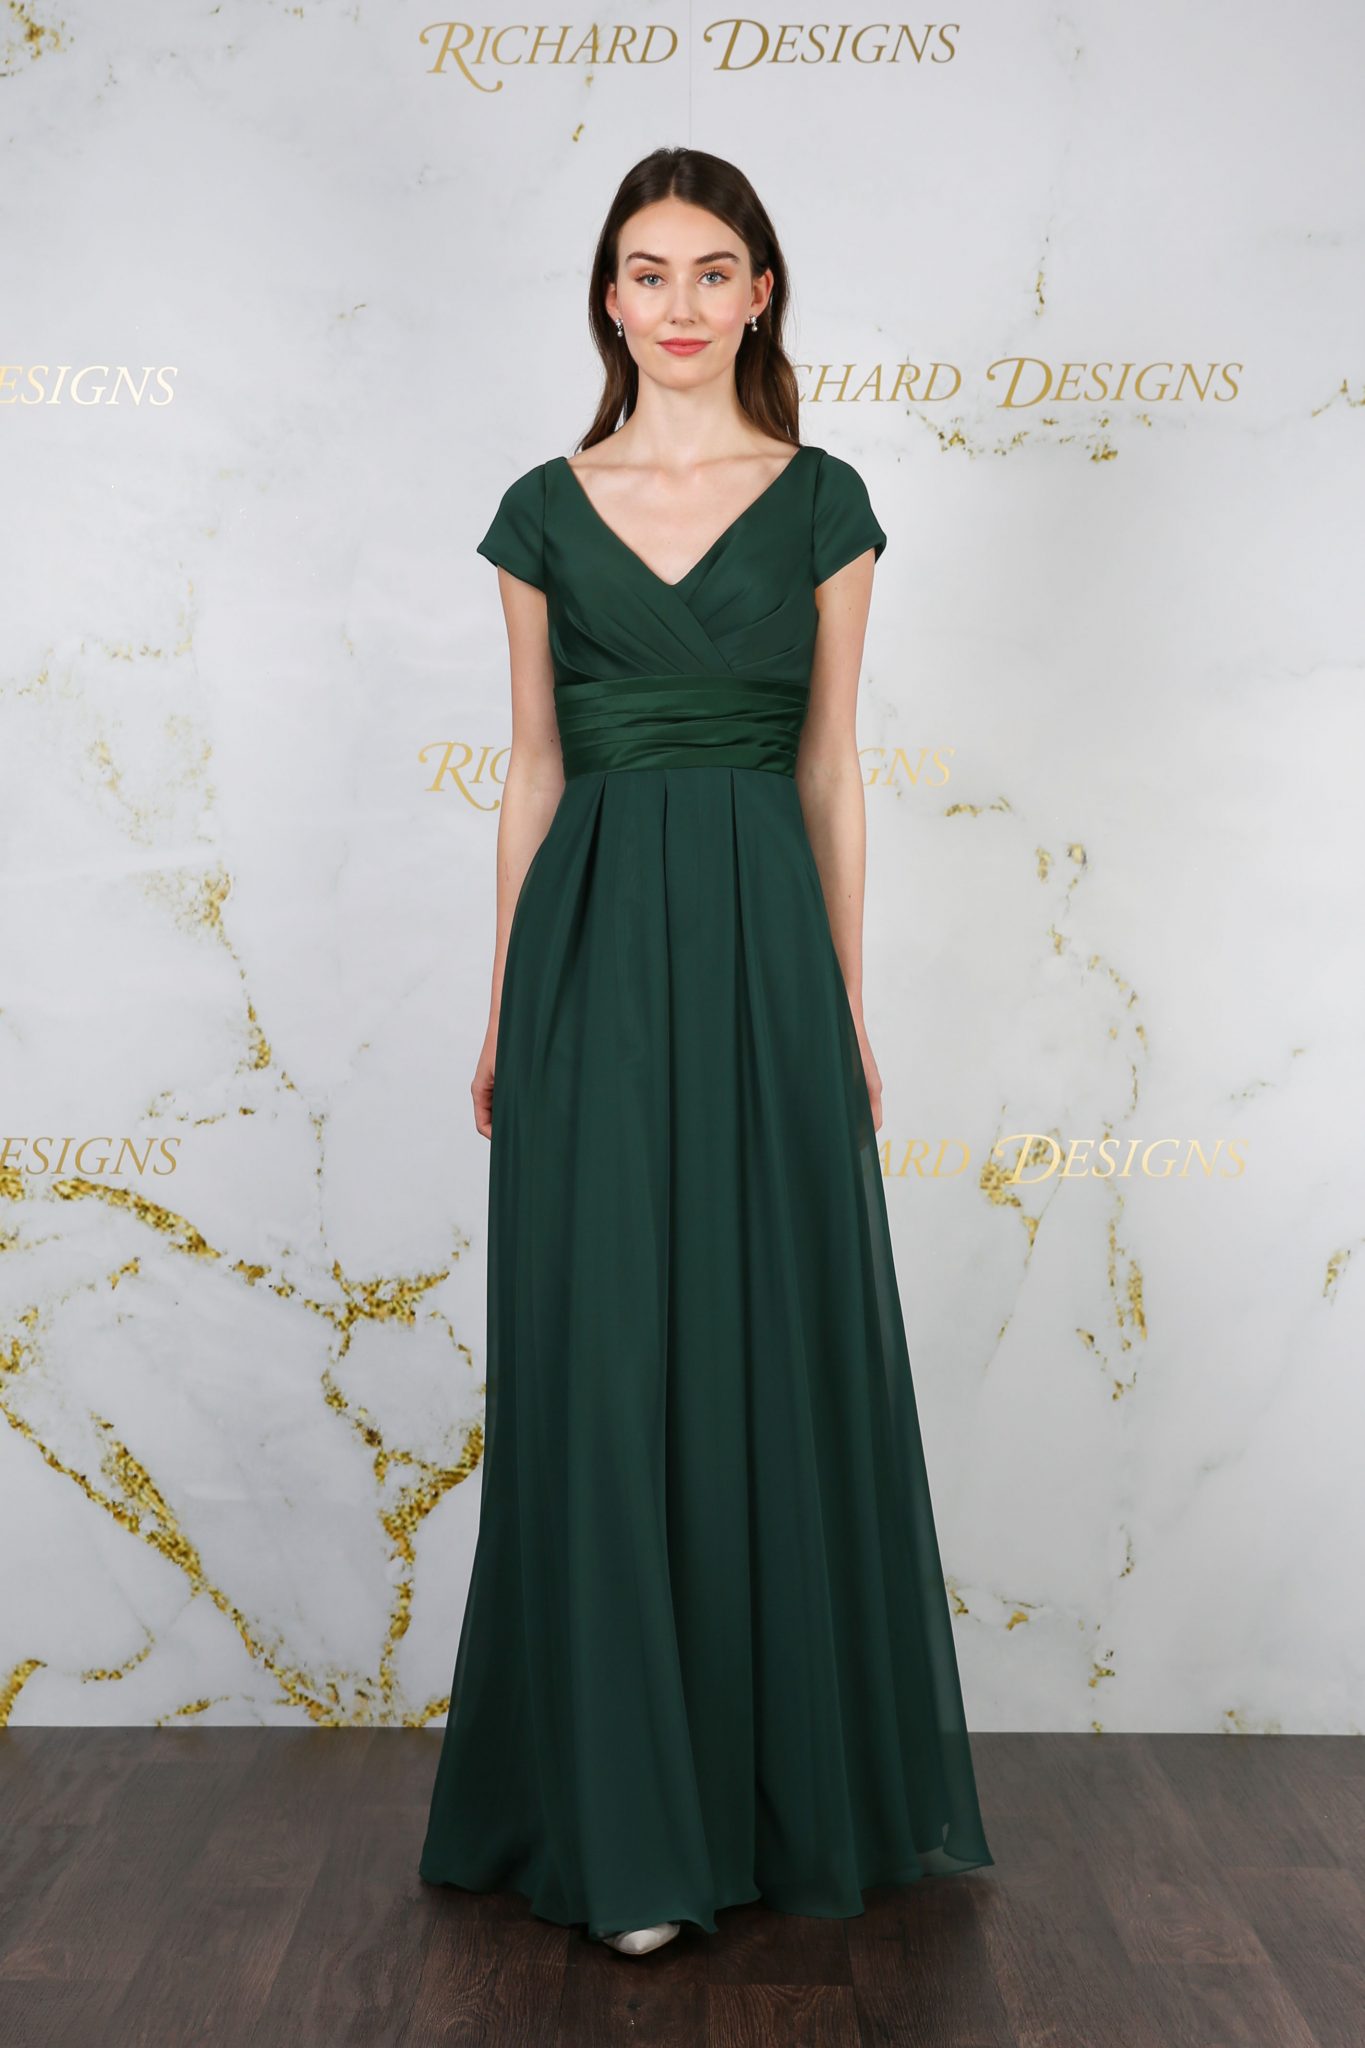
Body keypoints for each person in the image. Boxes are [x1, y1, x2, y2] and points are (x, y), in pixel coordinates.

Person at [419, 145, 993, 1958]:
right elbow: (531, 771)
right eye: (647, 271)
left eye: (712, 270)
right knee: (598, 1369)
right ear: (609, 298)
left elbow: (829, 766)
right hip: (586, 955)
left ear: (760, 295)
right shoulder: (540, 508)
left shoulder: (824, 501)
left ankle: (764, 1800)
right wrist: (503, 1003)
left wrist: (842, 1000)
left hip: (761, 958)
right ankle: (622, 1824)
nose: (678, 303)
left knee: (765, 1352)